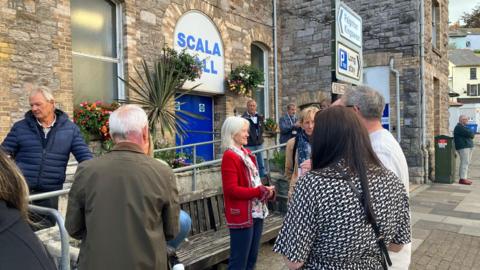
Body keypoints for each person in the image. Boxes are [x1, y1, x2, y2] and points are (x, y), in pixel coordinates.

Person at [273, 107, 411, 269]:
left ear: (322, 139)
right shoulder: (391, 180)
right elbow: (397, 245)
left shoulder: (312, 184)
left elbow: (293, 260)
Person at [65, 104, 184, 270]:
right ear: (144, 132)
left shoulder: (87, 170)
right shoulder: (162, 172)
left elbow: (73, 227)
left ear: (112, 136)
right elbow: (171, 230)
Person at [335, 85, 411, 269]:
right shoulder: (376, 142)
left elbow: (378, 211)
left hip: (384, 258)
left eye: (343, 111)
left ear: (355, 111)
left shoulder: (379, 150)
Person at [1, 87, 92, 227]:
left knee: (45, 235)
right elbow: (3, 155)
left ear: (51, 103)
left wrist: (90, 180)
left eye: (38, 104)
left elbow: (85, 158)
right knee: (20, 233)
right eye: (31, 105)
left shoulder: (70, 129)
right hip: (23, 192)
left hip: (50, 194)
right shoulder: (20, 128)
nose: (34, 108)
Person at [221, 116, 275, 270]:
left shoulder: (246, 153)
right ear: (233, 133)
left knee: (251, 260)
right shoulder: (230, 156)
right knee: (239, 262)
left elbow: (253, 182)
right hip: (242, 215)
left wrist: (266, 191)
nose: (247, 134)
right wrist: (258, 191)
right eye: (244, 131)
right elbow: (232, 190)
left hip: (256, 212)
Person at [0, 149, 56, 270]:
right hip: (28, 190)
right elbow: (6, 149)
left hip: (50, 190)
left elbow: (82, 153)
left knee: (42, 230)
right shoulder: (21, 129)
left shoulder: (68, 131)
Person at [284, 106, 319, 198]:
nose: (310, 126)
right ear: (302, 124)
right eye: (307, 122)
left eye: (313, 122)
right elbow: (289, 170)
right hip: (298, 191)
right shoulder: (292, 143)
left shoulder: (326, 142)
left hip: (319, 191)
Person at [242, 99, 266, 178]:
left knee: (261, 164)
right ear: (247, 107)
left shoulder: (260, 117)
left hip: (259, 144)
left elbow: (262, 129)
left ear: (256, 107)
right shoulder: (243, 118)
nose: (252, 107)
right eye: (250, 106)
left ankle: (263, 181)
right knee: (250, 164)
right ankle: (252, 180)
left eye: (254, 106)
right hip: (249, 145)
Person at [454, 115, 475, 185]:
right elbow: (471, 134)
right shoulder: (459, 127)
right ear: (462, 120)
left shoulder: (464, 127)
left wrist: (470, 133)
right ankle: (462, 178)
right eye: (466, 119)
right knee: (465, 162)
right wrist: (470, 133)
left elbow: (471, 133)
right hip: (463, 147)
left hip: (467, 146)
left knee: (467, 162)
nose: (467, 121)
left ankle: (463, 177)